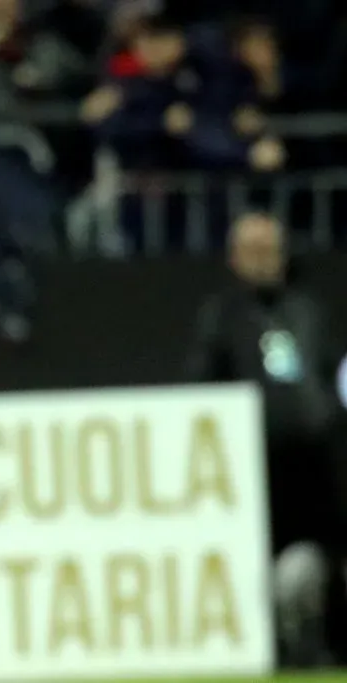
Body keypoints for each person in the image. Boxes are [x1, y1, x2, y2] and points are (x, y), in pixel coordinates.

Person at [186, 212, 347, 667]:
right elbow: (202, 391)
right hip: (253, 469)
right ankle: (267, 648)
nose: (265, 260)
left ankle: (328, 645)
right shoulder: (222, 318)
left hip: (317, 466)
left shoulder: (308, 311)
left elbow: (330, 374)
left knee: (327, 559)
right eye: (254, 251)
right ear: (234, 258)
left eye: (272, 249)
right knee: (258, 564)